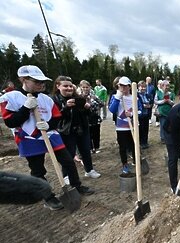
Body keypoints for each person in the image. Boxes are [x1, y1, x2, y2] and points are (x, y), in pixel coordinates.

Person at [0, 65, 94, 211]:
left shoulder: (46, 99)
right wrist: (25, 108)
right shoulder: (10, 98)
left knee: (68, 161)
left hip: (50, 134)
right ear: (23, 79)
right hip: (28, 138)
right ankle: (48, 197)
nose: (41, 85)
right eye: (37, 81)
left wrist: (48, 125)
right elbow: (10, 121)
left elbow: (57, 117)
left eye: (43, 82)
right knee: (38, 170)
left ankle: (77, 185)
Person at [52, 77, 101, 179]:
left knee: (86, 151)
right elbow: (56, 118)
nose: (69, 88)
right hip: (67, 131)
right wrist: (66, 107)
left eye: (70, 86)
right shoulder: (55, 100)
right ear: (58, 86)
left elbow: (88, 115)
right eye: (65, 86)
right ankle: (66, 176)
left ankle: (89, 170)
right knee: (69, 154)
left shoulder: (78, 98)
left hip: (82, 129)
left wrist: (87, 108)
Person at [108, 76, 143, 176]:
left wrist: (132, 114)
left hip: (134, 126)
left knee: (134, 145)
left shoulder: (135, 97)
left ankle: (136, 161)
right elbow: (112, 110)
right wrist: (118, 96)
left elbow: (141, 111)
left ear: (129, 86)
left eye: (125, 86)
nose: (123, 88)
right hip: (121, 127)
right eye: (121, 86)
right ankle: (125, 165)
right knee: (122, 147)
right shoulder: (116, 97)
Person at [79, 80, 103, 154]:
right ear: (81, 87)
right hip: (85, 118)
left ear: (90, 87)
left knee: (96, 133)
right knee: (87, 134)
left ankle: (96, 147)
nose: (85, 89)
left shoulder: (94, 96)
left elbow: (102, 104)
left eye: (87, 87)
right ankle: (90, 148)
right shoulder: (79, 97)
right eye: (84, 87)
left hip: (95, 117)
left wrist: (94, 101)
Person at [154, 80, 175, 144]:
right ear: (162, 86)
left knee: (169, 125)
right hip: (161, 112)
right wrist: (163, 101)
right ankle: (163, 138)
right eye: (166, 85)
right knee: (163, 125)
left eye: (168, 86)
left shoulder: (171, 93)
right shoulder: (158, 92)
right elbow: (155, 101)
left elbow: (173, 102)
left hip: (169, 112)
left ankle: (168, 136)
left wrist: (169, 101)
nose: (167, 87)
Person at [137, 80, 152, 149]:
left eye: (144, 87)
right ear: (138, 87)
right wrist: (143, 106)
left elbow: (150, 102)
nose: (143, 88)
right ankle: (140, 143)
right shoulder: (136, 95)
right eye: (141, 87)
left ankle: (145, 142)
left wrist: (150, 105)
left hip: (146, 114)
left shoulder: (147, 95)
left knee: (146, 129)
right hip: (140, 115)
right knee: (140, 129)